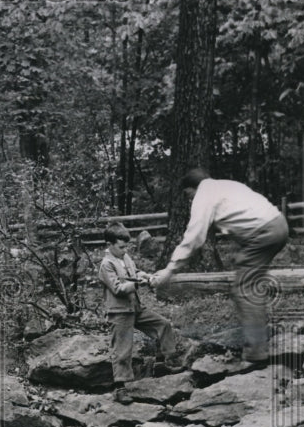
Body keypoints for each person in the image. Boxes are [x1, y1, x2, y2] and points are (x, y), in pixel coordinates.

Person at [149, 167, 289, 362]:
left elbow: (194, 236)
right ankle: (261, 335)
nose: (190, 200)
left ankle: (256, 352)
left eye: (188, 195)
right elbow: (242, 217)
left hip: (265, 232)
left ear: (193, 188)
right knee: (250, 281)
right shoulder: (225, 186)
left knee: (244, 287)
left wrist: (170, 269)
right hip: (278, 224)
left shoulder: (203, 195)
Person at [98, 223, 179, 401]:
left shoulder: (125, 257)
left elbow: (135, 271)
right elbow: (117, 288)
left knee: (163, 324)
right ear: (109, 245)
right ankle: (120, 388)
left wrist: (147, 276)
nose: (125, 250)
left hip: (135, 307)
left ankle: (166, 362)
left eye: (126, 246)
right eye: (121, 247)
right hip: (119, 312)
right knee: (122, 350)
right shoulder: (106, 264)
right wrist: (136, 284)